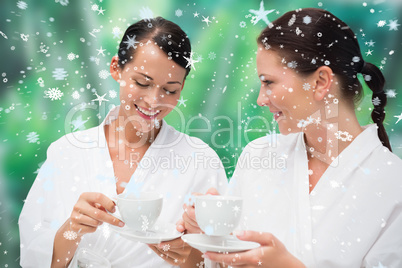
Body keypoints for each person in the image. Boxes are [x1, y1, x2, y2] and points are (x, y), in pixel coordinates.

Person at [179, 8, 402, 268]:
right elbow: (230, 258)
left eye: (269, 82)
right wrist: (208, 235)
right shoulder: (258, 156)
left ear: (320, 82)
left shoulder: (392, 184)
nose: (261, 99)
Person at [19, 17, 227, 268]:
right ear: (116, 68)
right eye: (142, 83)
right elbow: (32, 256)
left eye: (170, 90)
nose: (153, 100)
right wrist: (72, 229)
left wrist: (196, 260)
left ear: (182, 87)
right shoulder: (67, 152)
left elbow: (226, 255)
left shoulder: (200, 161)